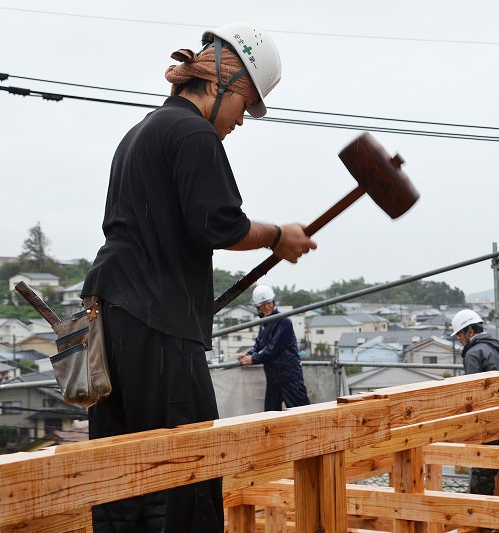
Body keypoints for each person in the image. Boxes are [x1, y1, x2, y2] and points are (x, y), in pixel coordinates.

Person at [81, 23, 316, 533]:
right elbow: (217, 223)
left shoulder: (141, 132)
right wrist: (279, 235)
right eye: (244, 106)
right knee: (185, 472)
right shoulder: (192, 133)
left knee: (122, 472)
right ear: (219, 84)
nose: (239, 122)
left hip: (111, 317)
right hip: (157, 323)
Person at [451, 309, 499, 498]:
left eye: (461, 335)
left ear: (470, 331)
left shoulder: (473, 353)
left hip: (489, 424)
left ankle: (482, 524)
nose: (461, 340)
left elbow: (473, 393)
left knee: (482, 478)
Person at [237, 285, 310, 411]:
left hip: (289, 375)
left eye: (269, 303)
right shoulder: (264, 323)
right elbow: (258, 345)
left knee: (301, 411)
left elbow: (273, 347)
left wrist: (253, 359)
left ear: (273, 302)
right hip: (273, 376)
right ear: (257, 307)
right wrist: (248, 354)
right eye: (262, 305)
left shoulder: (284, 321)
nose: (266, 307)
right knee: (270, 412)